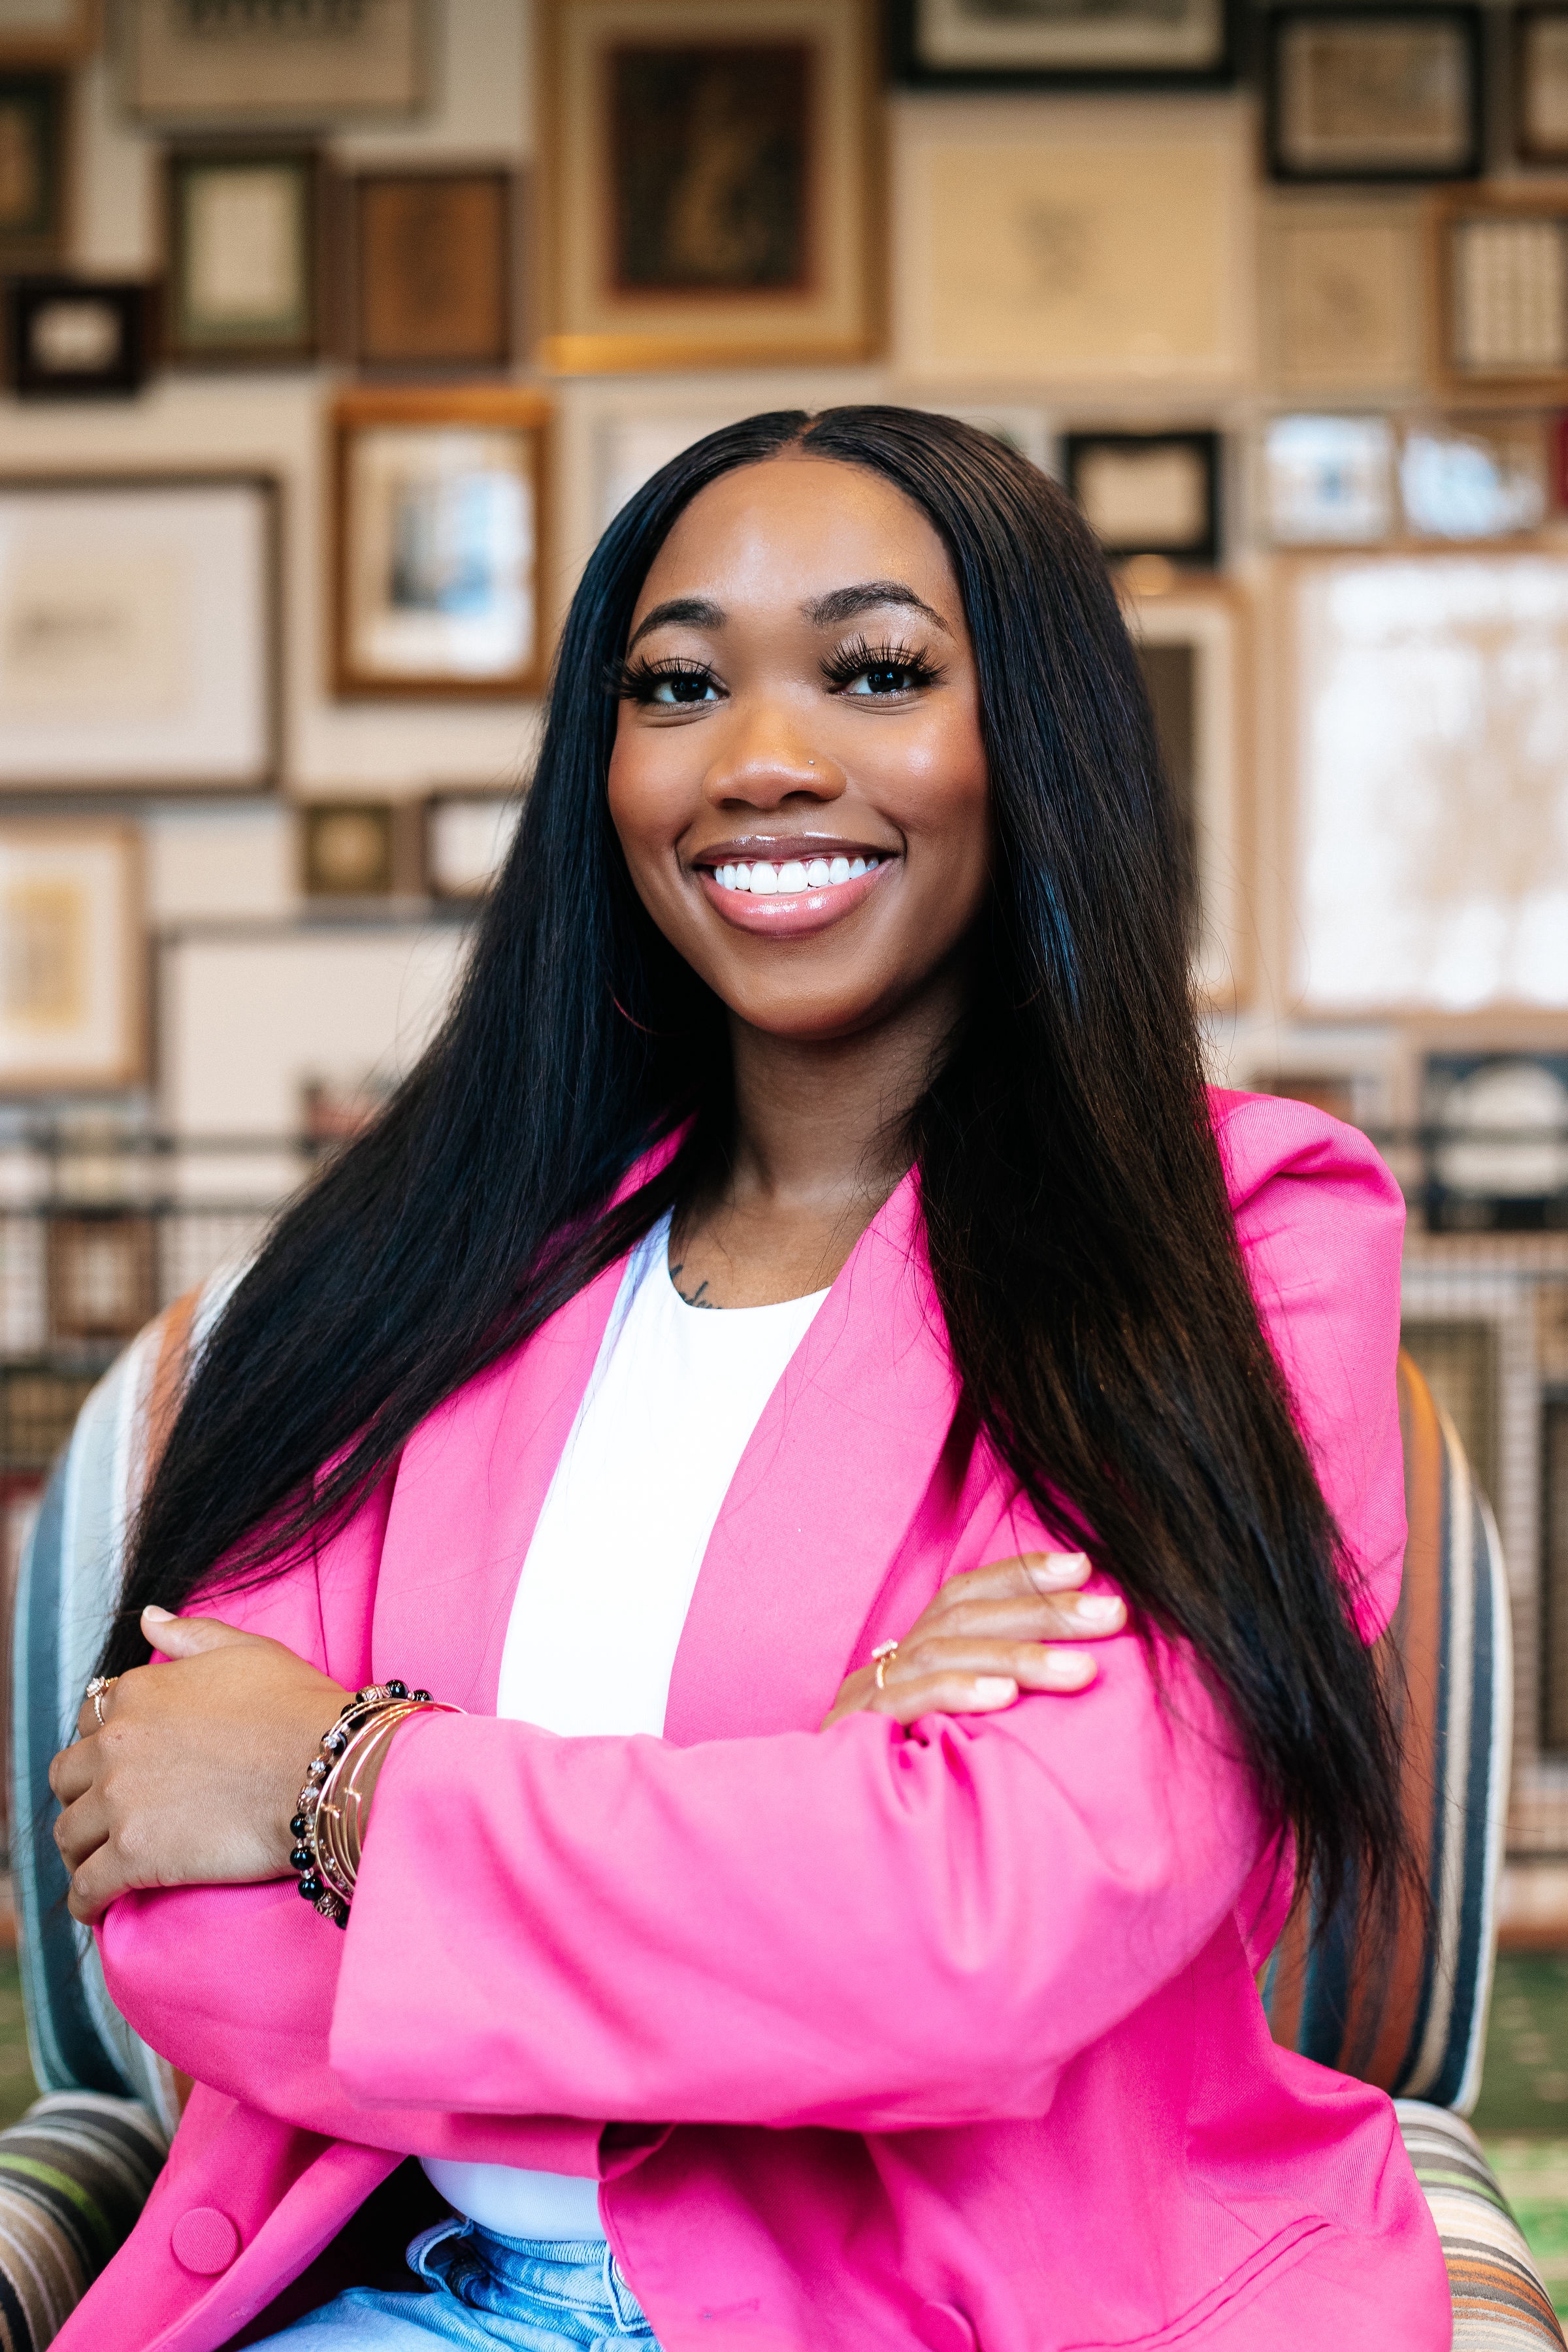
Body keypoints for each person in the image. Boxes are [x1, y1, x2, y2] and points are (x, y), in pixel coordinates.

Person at [48, 408, 1448, 2351]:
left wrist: (343, 1781)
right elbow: (182, 1917)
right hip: (425, 2306)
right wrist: (806, 1807)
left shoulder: (1246, 1242)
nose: (765, 762)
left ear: (1031, 735)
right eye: (680, 685)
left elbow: (991, 1934)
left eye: (877, 673)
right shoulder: (419, 1261)